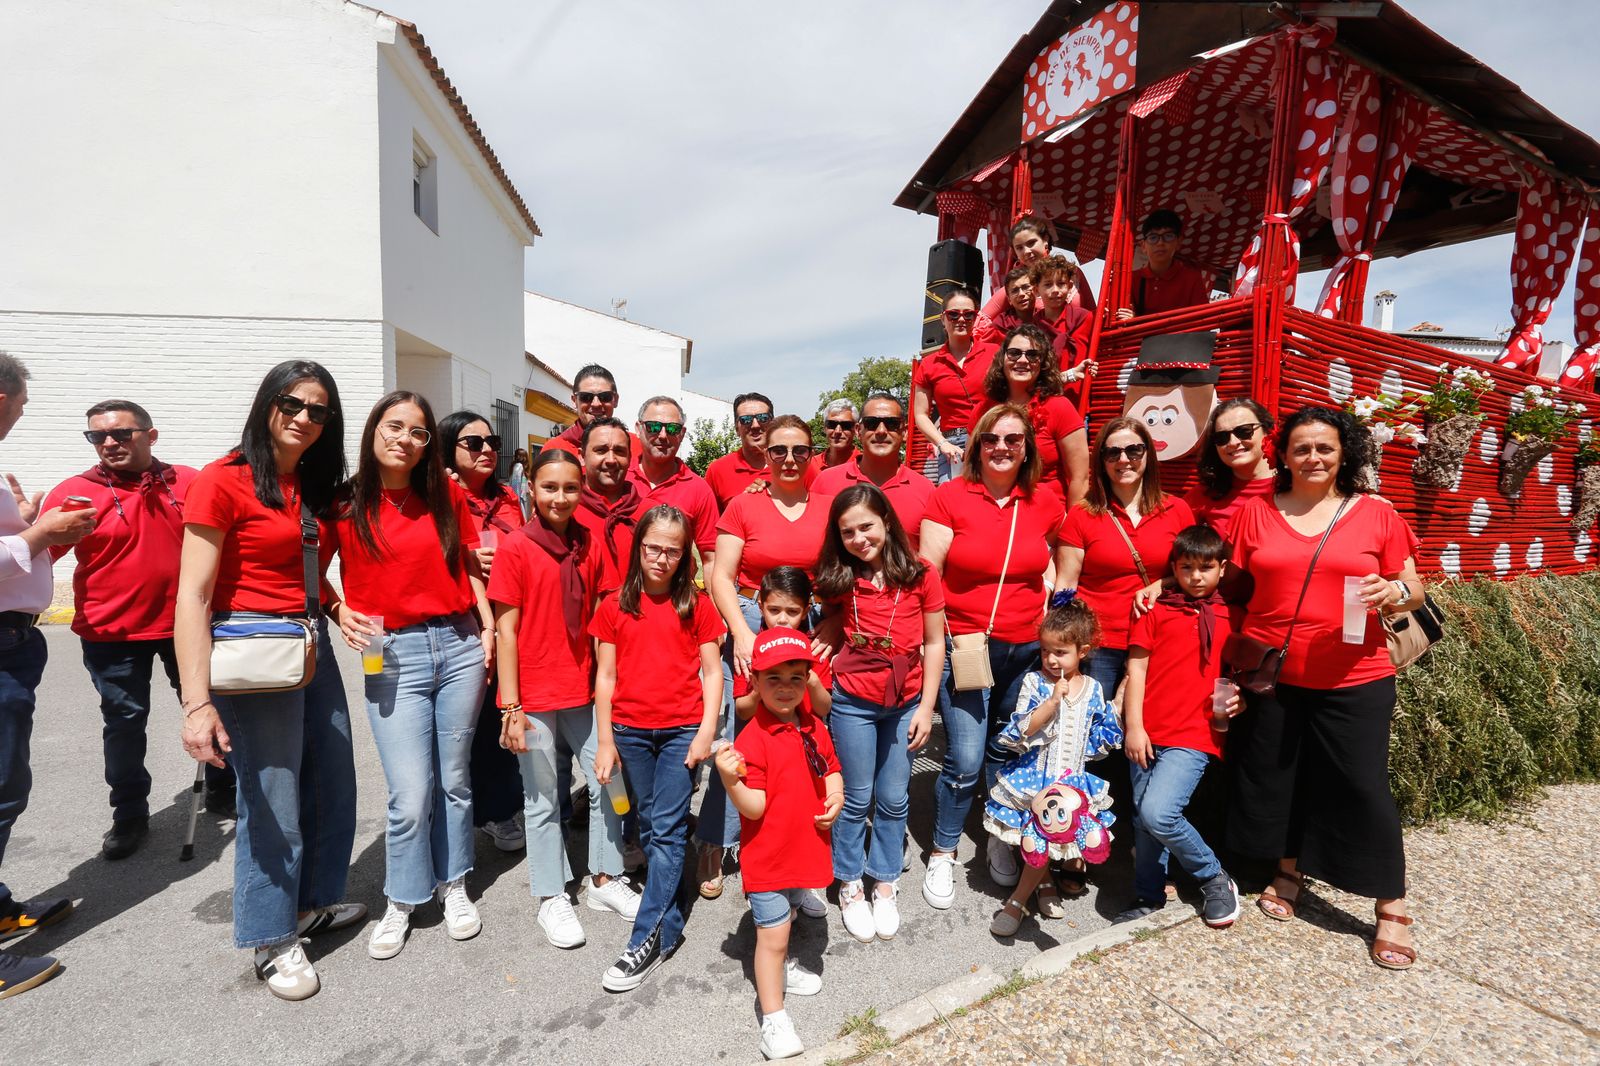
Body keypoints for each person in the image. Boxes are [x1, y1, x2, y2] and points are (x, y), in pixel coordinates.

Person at [175, 360, 364, 1001]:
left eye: (319, 411)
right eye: (293, 404)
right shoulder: (222, 481)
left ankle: (309, 903)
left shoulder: (309, 485)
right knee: (273, 798)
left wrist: (336, 609)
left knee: (330, 777)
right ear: (267, 404)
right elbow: (194, 595)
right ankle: (270, 935)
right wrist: (196, 703)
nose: (305, 418)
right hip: (252, 649)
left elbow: (304, 571)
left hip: (309, 642)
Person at [1224, 407, 1424, 971]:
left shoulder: (1376, 514)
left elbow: (1414, 589)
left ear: (1345, 454)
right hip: (1273, 675)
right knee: (1280, 776)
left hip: (1353, 676)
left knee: (1362, 786)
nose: (1313, 458)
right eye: (1301, 448)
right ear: (1281, 455)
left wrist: (1395, 593)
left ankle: (1391, 902)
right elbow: (1234, 585)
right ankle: (1288, 871)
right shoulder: (1256, 512)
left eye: (1325, 449)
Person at [325, 392, 492, 960]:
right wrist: (334, 606)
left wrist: (488, 628)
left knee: (453, 777)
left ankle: (454, 884)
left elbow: (470, 566)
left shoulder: (445, 493)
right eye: (395, 427)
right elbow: (302, 566)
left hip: (459, 643)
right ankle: (403, 897)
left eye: (419, 433)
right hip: (391, 650)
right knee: (409, 791)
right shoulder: (343, 503)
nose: (406, 439)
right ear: (373, 431)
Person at [43, 399, 235, 860]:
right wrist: (33, 532)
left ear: (151, 435)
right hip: (112, 633)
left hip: (183, 629)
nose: (109, 443)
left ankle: (224, 789)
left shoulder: (189, 482)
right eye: (97, 437)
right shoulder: (74, 493)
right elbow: (36, 559)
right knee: (125, 725)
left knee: (211, 709)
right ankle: (128, 814)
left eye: (122, 434)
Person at [919, 403, 1065, 910]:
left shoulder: (1045, 502)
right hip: (966, 646)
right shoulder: (949, 497)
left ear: (1027, 449)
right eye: (991, 439)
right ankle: (943, 850)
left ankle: (1001, 837)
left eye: (1013, 439)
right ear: (977, 445)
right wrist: (935, 639)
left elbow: (1047, 567)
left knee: (1010, 751)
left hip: (1026, 649)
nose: (1001, 447)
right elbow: (928, 570)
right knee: (964, 756)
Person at [490, 449, 637, 949]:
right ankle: (551, 893)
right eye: (549, 487)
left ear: (582, 491)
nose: (559, 497)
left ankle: (603, 877)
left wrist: (609, 688)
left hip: (582, 689)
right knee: (542, 798)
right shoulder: (516, 548)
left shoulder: (589, 542)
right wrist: (511, 708)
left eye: (570, 488)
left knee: (610, 778)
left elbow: (603, 617)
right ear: (531, 486)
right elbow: (506, 634)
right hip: (532, 695)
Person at [590, 505, 723, 992]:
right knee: (650, 825)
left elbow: (713, 673)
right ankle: (673, 891)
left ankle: (648, 939)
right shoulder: (614, 605)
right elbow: (604, 678)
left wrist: (706, 729)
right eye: (653, 548)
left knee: (664, 831)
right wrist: (605, 740)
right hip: (629, 732)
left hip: (680, 734)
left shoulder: (697, 605)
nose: (662, 559)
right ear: (638, 548)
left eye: (672, 550)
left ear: (684, 554)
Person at [702, 414, 831, 898]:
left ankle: (801, 844)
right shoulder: (744, 505)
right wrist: (740, 633)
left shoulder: (827, 505)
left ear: (812, 453)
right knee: (739, 735)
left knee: (806, 735)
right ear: (766, 454)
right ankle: (716, 842)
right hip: (756, 618)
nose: (790, 459)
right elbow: (721, 575)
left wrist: (832, 627)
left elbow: (841, 577)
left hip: (809, 620)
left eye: (800, 450)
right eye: (779, 450)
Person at [0, 352, 95, 1000]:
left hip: (13, 641)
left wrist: (30, 522)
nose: (22, 412)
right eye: (21, 402)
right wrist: (40, 534)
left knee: (8, 784)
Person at [814, 485, 944, 945]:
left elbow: (933, 642)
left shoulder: (922, 574)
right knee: (855, 796)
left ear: (887, 521)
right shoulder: (839, 576)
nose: (859, 538)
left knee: (893, 797)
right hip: (853, 700)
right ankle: (849, 881)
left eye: (866, 526)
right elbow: (824, 616)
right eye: (847, 531)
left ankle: (884, 880)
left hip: (905, 702)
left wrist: (927, 707)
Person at [715, 627, 843, 1061]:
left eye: (796, 677)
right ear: (755, 682)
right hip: (769, 858)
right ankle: (773, 1017)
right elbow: (753, 808)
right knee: (771, 938)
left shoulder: (814, 725)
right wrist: (731, 782)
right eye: (773, 678)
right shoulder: (753, 738)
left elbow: (831, 768)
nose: (785, 688)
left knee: (788, 916)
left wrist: (837, 795)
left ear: (808, 678)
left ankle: (785, 966)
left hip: (803, 848)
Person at [1119, 524, 1243, 927]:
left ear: (1222, 569)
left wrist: (1240, 697)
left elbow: (1240, 670)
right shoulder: (1154, 610)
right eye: (1186, 567)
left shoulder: (1231, 614)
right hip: (1149, 729)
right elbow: (1136, 671)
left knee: (1159, 813)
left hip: (1195, 732)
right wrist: (1133, 728)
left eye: (1205, 568)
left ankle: (1213, 877)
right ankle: (1148, 892)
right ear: (1174, 568)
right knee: (1141, 816)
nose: (1195, 577)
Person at [983, 598, 1120, 937]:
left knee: (1052, 839)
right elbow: (1022, 729)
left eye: (1061, 652)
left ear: (1082, 651)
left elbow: (1098, 741)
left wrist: (1117, 709)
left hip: (1070, 782)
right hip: (1035, 778)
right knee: (1037, 839)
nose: (1051, 659)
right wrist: (1052, 702)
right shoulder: (1035, 682)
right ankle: (1019, 901)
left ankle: (1039, 888)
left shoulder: (1093, 689)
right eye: (1046, 651)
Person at [1055, 416, 1196, 703]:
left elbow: (1193, 575)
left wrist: (1160, 584)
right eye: (1113, 453)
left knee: (1146, 732)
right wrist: (1060, 648)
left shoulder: (1177, 510)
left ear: (1148, 455)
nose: (1124, 460)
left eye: (1134, 450)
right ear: (1102, 460)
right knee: (1096, 734)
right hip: (1099, 645)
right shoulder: (1082, 515)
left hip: (1158, 640)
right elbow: (1065, 586)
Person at [440, 410, 526, 853]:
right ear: (449, 450)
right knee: (462, 722)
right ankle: (469, 815)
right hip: (460, 620)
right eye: (473, 443)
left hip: (508, 614)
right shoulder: (437, 497)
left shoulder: (510, 498)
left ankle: (499, 809)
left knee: (501, 711)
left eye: (491, 440)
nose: (487, 449)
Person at [972, 324, 1090, 507]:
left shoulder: (1060, 408)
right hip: (993, 512)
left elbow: (1080, 477)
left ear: (1043, 363)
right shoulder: (982, 411)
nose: (1023, 360)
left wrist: (1072, 529)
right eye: (1014, 353)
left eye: (1033, 355)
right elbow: (973, 470)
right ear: (1002, 359)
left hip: (1048, 517)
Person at [811, 394, 934, 549]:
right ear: (858, 430)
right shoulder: (825, 482)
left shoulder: (926, 490)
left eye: (892, 424)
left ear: (904, 432)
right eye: (872, 423)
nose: (881, 431)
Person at [912, 287, 998, 484]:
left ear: (975, 318)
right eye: (953, 314)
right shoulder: (929, 365)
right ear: (943, 319)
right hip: (952, 444)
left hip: (990, 437)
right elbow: (920, 415)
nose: (961, 319)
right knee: (950, 502)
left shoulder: (995, 354)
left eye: (969, 314)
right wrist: (942, 443)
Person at [630, 396, 719, 573]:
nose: (662, 435)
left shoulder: (698, 489)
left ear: (682, 434)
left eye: (672, 428)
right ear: (639, 429)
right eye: (653, 427)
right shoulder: (619, 477)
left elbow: (711, 560)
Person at [731, 568, 833, 723]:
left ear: (805, 612)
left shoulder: (814, 649)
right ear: (761, 608)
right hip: (763, 737)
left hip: (805, 734)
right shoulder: (750, 650)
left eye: (792, 611)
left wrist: (811, 680)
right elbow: (742, 712)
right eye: (774, 610)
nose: (782, 619)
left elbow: (824, 708)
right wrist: (761, 686)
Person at [977, 216, 1095, 330]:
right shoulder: (1017, 284)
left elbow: (1093, 314)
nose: (1026, 251)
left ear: (1045, 240)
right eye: (1019, 248)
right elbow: (980, 322)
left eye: (1031, 243)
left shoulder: (1073, 273)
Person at [573, 417, 647, 593]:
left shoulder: (651, 514)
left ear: (630, 458)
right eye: (601, 450)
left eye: (620, 451)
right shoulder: (563, 512)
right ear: (581, 456)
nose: (611, 459)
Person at [1186, 398, 1276, 540]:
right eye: (1222, 437)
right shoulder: (1204, 494)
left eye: (1244, 431)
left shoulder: (1293, 485)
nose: (1233, 442)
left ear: (1267, 431)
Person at [1114, 209, 1213, 320]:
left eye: (1168, 236)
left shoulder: (1192, 278)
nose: (1160, 243)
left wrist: (1136, 321)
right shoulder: (1130, 280)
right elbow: (1120, 319)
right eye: (1153, 237)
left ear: (1179, 242)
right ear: (1143, 246)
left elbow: (1202, 323)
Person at [542, 364, 641, 470]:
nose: (596, 404)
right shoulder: (554, 449)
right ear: (574, 401)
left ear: (615, 400)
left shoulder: (637, 446)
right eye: (586, 397)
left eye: (605, 397)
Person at [705, 392, 774, 510]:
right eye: (746, 420)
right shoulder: (718, 470)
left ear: (773, 423)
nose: (755, 425)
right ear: (737, 428)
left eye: (763, 418)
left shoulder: (796, 464)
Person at [1031, 255, 1095, 375]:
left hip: (1078, 387)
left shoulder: (1084, 317)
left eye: (1061, 284)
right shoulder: (1032, 326)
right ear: (1036, 290)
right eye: (1048, 284)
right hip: (1045, 389)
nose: (1055, 290)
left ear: (1069, 287)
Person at [809, 399, 857, 482]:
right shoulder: (811, 465)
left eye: (846, 425)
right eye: (832, 424)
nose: (838, 431)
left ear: (856, 429)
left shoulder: (865, 466)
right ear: (824, 428)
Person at [508, 448, 530, 518]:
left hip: (520, 494)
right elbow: (516, 483)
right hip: (520, 496)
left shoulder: (517, 466)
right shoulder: (519, 466)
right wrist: (518, 497)